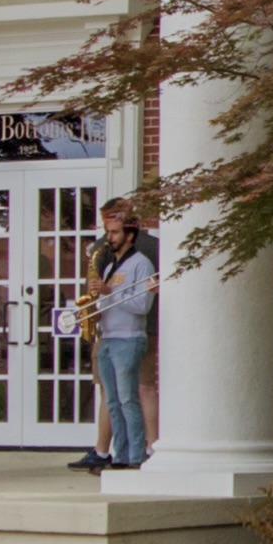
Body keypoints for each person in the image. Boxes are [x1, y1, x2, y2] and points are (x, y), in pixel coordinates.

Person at [74, 200, 157, 472]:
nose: (108, 238)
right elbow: (107, 302)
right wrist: (92, 309)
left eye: (114, 233)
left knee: (127, 399)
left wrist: (110, 293)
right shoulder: (111, 266)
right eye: (108, 232)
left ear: (129, 235)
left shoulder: (140, 264)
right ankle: (119, 454)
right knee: (111, 401)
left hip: (129, 338)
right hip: (108, 337)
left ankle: (136, 455)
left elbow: (141, 306)